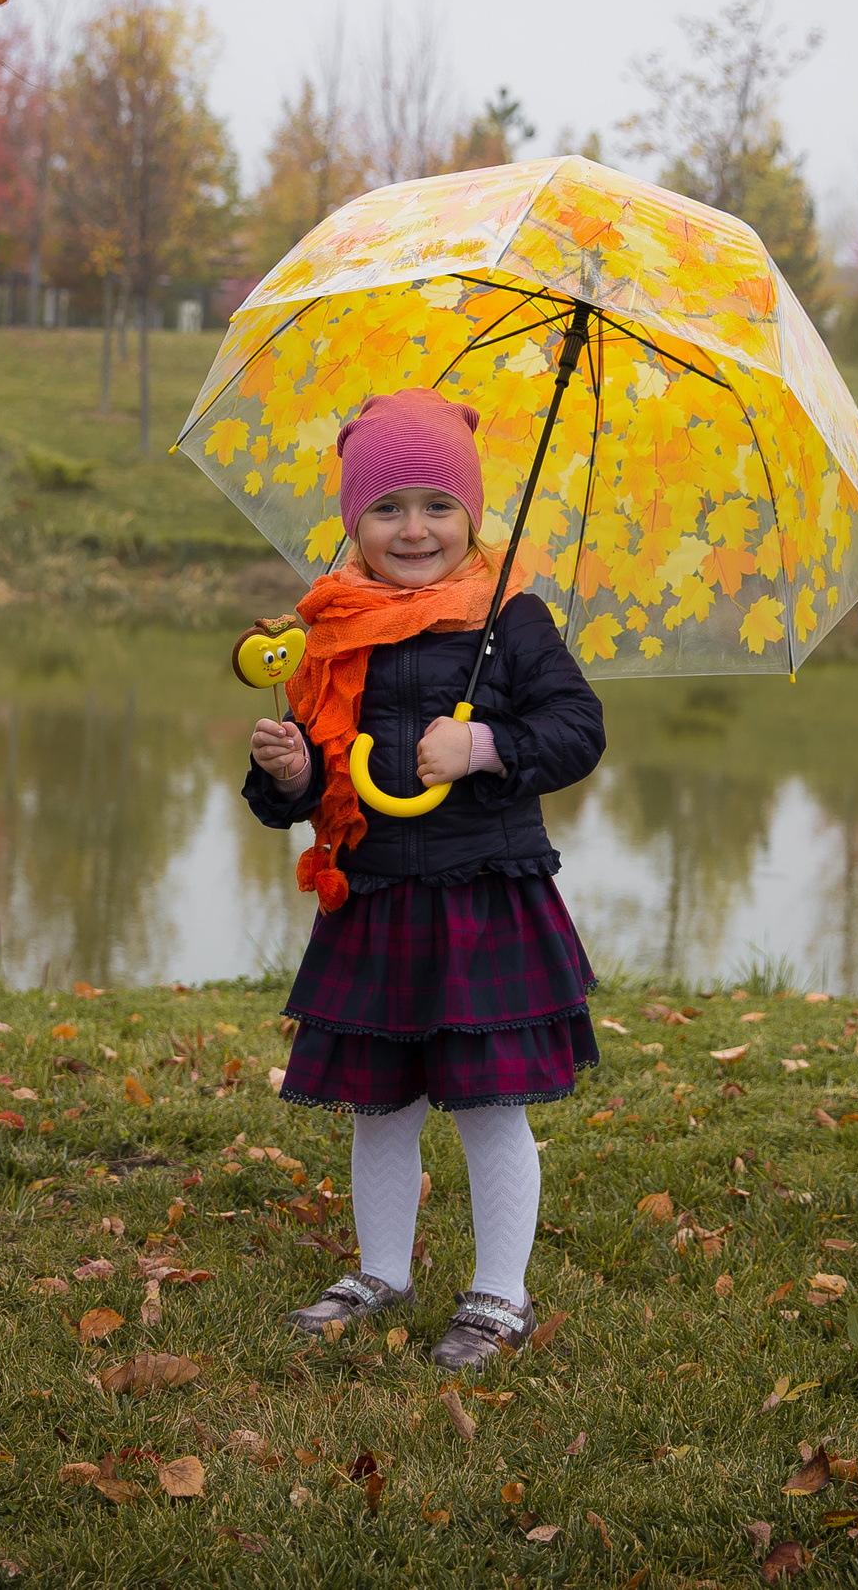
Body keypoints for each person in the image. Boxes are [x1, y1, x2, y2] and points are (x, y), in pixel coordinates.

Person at [244, 387, 605, 1372]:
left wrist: (485, 743)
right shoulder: (330, 631)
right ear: (352, 520)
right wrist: (289, 776)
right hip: (375, 893)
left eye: (437, 506)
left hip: (481, 889)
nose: (413, 529)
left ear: (473, 514)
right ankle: (382, 1271)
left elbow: (579, 731)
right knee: (381, 1102)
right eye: (387, 508)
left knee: (489, 1102)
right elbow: (312, 787)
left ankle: (498, 1296)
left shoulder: (512, 622)